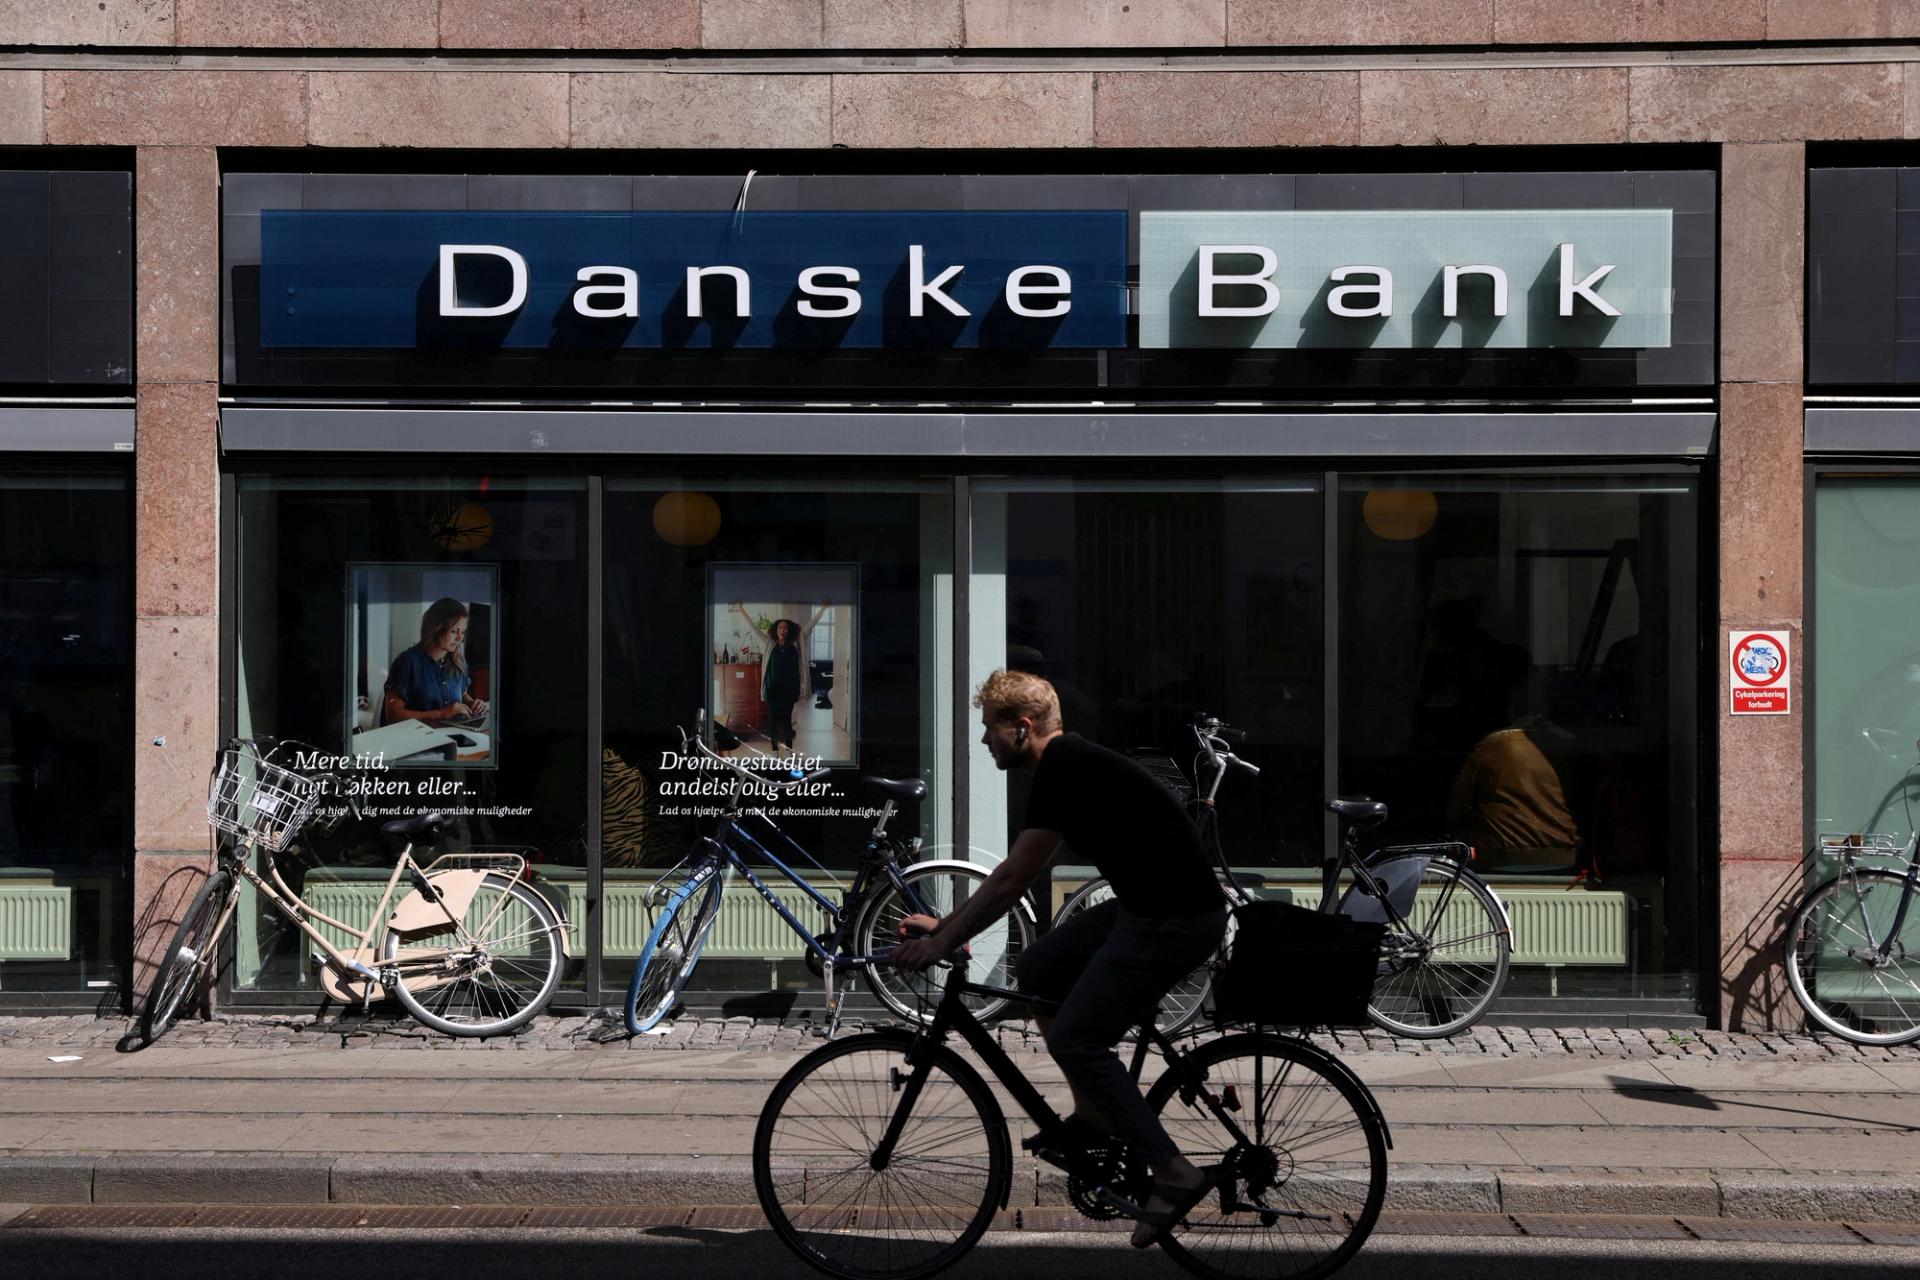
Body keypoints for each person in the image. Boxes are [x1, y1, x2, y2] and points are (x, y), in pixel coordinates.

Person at [892, 669, 1228, 1248]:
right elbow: (1012, 877)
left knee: (1077, 1038)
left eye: (988, 728)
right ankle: (1095, 1113)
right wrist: (946, 926)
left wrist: (941, 943)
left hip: (1173, 920)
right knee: (1041, 967)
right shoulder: (1068, 766)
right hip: (1145, 908)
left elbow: (1010, 880)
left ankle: (1175, 1174)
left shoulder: (1063, 770)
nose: (983, 741)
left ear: (1022, 729)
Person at [382, 597, 488, 727]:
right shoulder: (407, 662)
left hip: (453, 736)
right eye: (454, 631)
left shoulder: (459, 661)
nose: (460, 638)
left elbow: (462, 693)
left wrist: (472, 704)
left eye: (463, 632)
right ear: (436, 629)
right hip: (417, 741)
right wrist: (442, 713)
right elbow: (393, 715)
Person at [762, 617, 803, 752]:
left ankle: (789, 751)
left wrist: (823, 608)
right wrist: (741, 609)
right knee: (774, 721)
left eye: (785, 627)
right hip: (772, 690)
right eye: (780, 627)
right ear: (776, 630)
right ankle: (774, 751)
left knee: (786, 722)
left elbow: (809, 626)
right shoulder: (770, 643)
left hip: (789, 691)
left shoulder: (795, 644)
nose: (782, 630)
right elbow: (753, 628)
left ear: (789, 630)